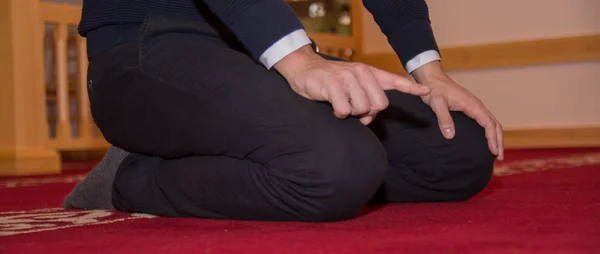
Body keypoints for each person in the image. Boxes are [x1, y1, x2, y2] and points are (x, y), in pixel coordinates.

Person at [64, 0, 504, 222]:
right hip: (143, 49)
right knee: (338, 167)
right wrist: (298, 60)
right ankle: (129, 178)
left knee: (458, 150)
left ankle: (270, 155)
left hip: (249, 44)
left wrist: (430, 73)